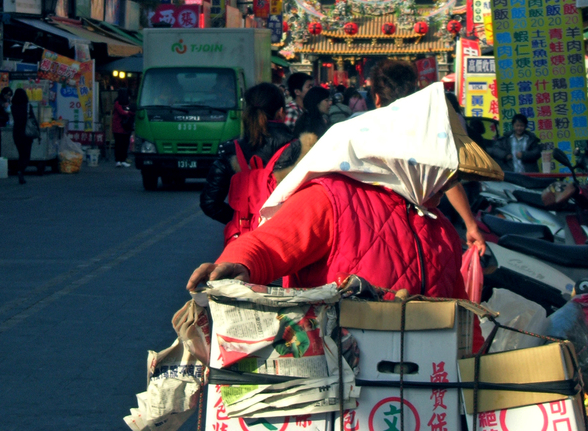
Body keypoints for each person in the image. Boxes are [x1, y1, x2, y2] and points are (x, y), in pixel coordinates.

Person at [188, 70, 502, 306]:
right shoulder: (333, 198)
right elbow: (270, 244)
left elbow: (459, 316)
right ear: (414, 162)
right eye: (443, 171)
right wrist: (239, 263)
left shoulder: (442, 231)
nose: (448, 183)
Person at [371, 60, 487, 255]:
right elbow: (448, 181)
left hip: (372, 230)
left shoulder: (354, 133)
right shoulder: (424, 131)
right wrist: (471, 225)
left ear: (376, 98)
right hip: (418, 232)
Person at [201, 82, 315, 243]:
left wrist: (243, 219)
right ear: (281, 112)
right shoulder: (300, 148)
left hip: (244, 241)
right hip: (285, 239)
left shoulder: (232, 150)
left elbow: (210, 203)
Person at [11, 88, 35, 184]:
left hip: (16, 133)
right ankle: (21, 170)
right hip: (27, 133)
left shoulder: (13, 107)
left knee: (21, 153)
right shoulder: (28, 106)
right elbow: (33, 119)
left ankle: (19, 170)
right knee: (26, 155)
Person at [112, 89, 134, 167]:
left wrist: (128, 112)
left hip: (126, 128)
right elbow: (122, 112)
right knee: (119, 144)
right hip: (118, 128)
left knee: (125, 144)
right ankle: (118, 160)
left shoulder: (127, 103)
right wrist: (130, 113)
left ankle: (123, 160)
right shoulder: (117, 103)